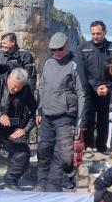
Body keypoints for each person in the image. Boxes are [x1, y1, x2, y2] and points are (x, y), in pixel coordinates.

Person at [35, 32, 86, 192]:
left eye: (60, 49)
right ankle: (42, 183)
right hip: (47, 115)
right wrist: (40, 110)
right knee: (44, 150)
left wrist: (80, 120)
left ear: (67, 46)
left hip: (66, 116)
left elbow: (81, 93)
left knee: (63, 154)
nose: (56, 52)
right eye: (53, 49)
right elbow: (42, 87)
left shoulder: (74, 64)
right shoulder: (48, 62)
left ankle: (58, 185)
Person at [77, 21, 112, 152]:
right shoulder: (83, 48)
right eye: (93, 34)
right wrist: (94, 87)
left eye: (98, 33)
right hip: (89, 92)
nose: (95, 36)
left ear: (105, 32)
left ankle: (102, 148)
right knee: (88, 120)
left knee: (104, 121)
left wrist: (108, 87)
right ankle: (88, 147)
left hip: (108, 91)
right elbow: (81, 71)